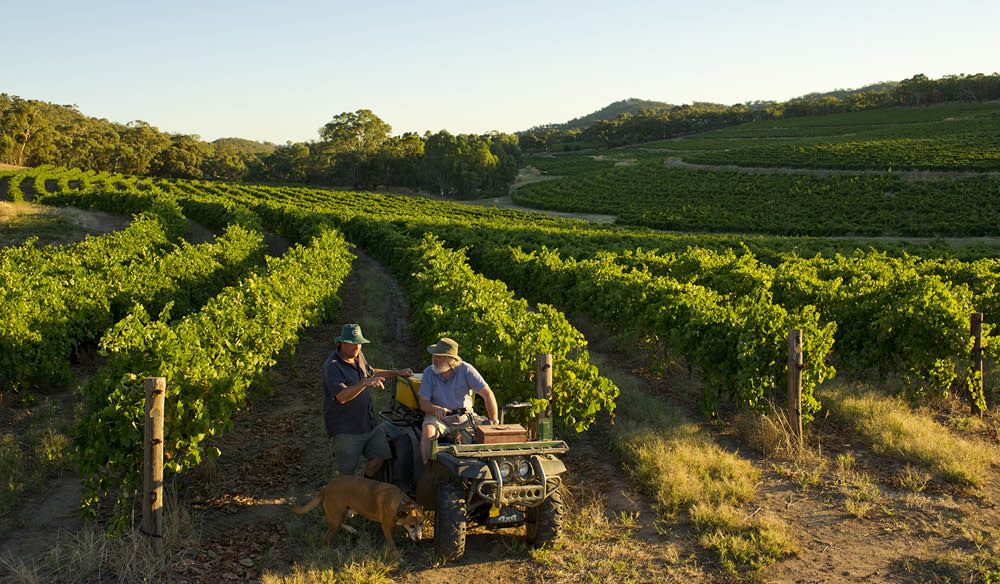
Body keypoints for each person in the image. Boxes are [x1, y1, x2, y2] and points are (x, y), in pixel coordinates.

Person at [323, 323, 412, 478]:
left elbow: (371, 372)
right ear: (341, 343)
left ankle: (365, 485)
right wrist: (364, 383)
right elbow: (342, 397)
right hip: (346, 429)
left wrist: (397, 372)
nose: (357, 347)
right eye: (352, 343)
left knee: (381, 456)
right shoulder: (332, 366)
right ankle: (345, 499)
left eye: (359, 343)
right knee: (346, 473)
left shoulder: (358, 357)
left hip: (368, 424)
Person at [418, 337, 499, 463]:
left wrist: (494, 422)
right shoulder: (429, 372)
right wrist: (436, 409)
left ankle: (487, 472)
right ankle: (427, 470)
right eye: (434, 355)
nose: (434, 359)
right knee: (428, 432)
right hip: (439, 419)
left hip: (465, 418)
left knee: (485, 436)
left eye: (439, 356)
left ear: (451, 360)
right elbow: (423, 403)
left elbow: (488, 394)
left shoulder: (466, 370)